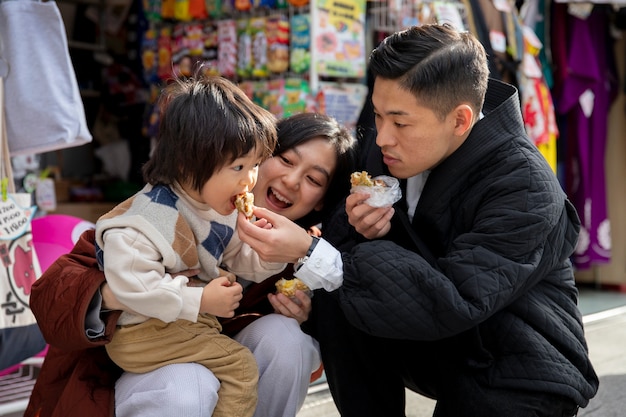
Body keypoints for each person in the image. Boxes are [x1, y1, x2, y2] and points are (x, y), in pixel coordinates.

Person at [236, 23, 599, 416]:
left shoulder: (524, 184)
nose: (382, 137)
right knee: (338, 291)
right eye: (377, 115)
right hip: (433, 345)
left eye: (400, 122)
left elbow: (456, 298)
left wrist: (314, 252)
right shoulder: (385, 153)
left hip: (516, 363)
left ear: (460, 120)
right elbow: (340, 255)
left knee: (340, 269)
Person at [25, 111, 357, 417]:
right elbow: (48, 299)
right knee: (189, 385)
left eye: (314, 179)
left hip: (214, 349)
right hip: (138, 367)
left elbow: (332, 346)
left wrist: (306, 318)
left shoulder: (307, 258)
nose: (292, 181)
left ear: (323, 200)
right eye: (285, 159)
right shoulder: (165, 213)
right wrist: (122, 293)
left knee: (288, 339)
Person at [94, 74, 286, 417]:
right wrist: (200, 299)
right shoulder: (147, 217)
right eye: (238, 166)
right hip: (142, 332)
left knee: (229, 369)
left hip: (187, 326)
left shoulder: (217, 207)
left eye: (255, 165)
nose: (250, 180)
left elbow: (239, 258)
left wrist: (269, 251)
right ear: (187, 162)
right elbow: (132, 284)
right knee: (241, 367)